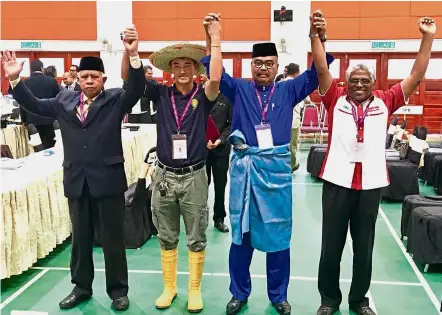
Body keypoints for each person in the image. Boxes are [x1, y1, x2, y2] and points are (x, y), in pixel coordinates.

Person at [1, 25, 145, 311]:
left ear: (104, 79)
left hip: (108, 180)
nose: (89, 81)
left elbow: (137, 87)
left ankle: (118, 291)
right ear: (77, 78)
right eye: (84, 77)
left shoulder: (116, 99)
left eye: (94, 77)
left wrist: (133, 56)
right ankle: (81, 288)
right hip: (77, 181)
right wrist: (16, 80)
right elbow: (33, 104)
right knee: (79, 240)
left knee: (112, 240)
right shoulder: (63, 100)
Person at [202, 13, 333, 315]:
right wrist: (212, 37)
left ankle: (278, 295)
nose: (263, 68)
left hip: (276, 174)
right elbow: (214, 71)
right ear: (252, 66)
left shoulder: (289, 89)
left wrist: (318, 37)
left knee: (278, 238)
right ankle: (239, 292)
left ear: (277, 66)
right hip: (244, 172)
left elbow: (319, 71)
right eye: (258, 63)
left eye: (268, 63)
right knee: (241, 236)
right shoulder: (239, 89)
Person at [310, 12, 435, 315]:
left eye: (365, 81)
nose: (360, 85)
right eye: (355, 80)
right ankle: (328, 300)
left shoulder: (386, 99)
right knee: (331, 247)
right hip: (337, 182)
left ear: (373, 82)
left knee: (364, 249)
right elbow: (322, 66)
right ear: (347, 82)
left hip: (370, 185)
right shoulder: (335, 98)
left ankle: (358, 301)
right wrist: (316, 35)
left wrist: (427, 37)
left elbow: (417, 76)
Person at [121, 13, 222, 313]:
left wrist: (215, 40)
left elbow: (215, 77)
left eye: (186, 65)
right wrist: (131, 53)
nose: (181, 70)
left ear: (194, 69)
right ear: (169, 70)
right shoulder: (160, 93)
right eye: (175, 66)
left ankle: (194, 289)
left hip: (194, 176)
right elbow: (131, 79)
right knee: (166, 234)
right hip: (164, 176)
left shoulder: (204, 95)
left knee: (197, 235)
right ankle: (169, 287)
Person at [282, 63, 313, 172]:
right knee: (293, 145)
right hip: (293, 121)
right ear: (296, 73)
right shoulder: (298, 84)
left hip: (280, 121)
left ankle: (281, 165)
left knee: (281, 144)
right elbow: (308, 101)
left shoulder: (279, 84)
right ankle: (292, 165)